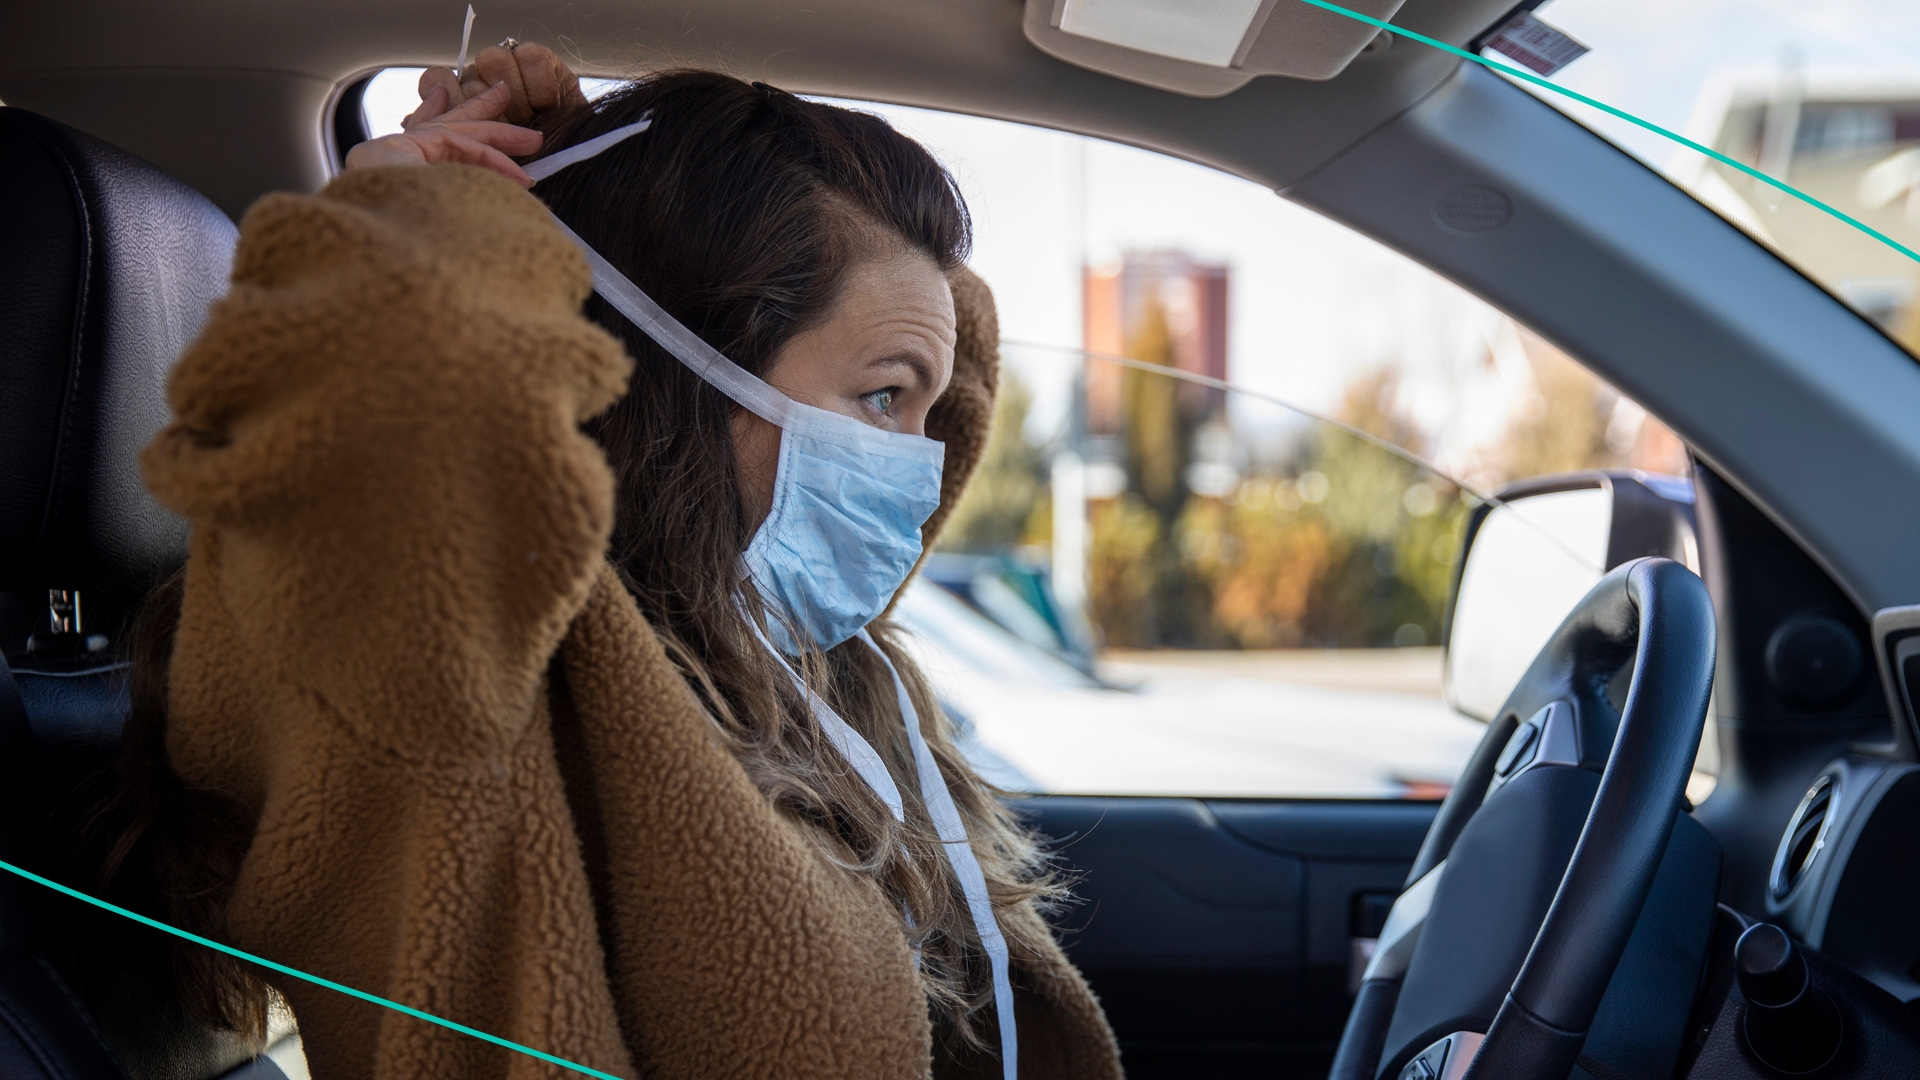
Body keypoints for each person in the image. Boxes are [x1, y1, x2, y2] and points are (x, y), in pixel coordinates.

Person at [85, 44, 1121, 1080]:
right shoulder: (473, 669)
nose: (917, 466)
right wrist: (384, 250)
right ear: (673, 374)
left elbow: (943, 341)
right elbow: (357, 533)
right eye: (886, 401)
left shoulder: (782, 653)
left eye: (924, 410)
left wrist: (631, 204)